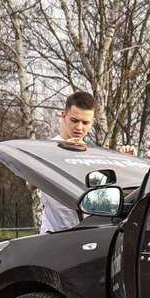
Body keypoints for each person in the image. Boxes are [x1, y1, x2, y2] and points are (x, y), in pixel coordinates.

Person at [37, 90, 98, 233]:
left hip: (87, 235)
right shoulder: (47, 148)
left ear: (93, 122)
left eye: (85, 122)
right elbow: (30, 184)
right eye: (74, 120)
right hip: (53, 234)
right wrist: (61, 153)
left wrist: (128, 160)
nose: (79, 127)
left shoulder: (94, 154)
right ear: (64, 116)